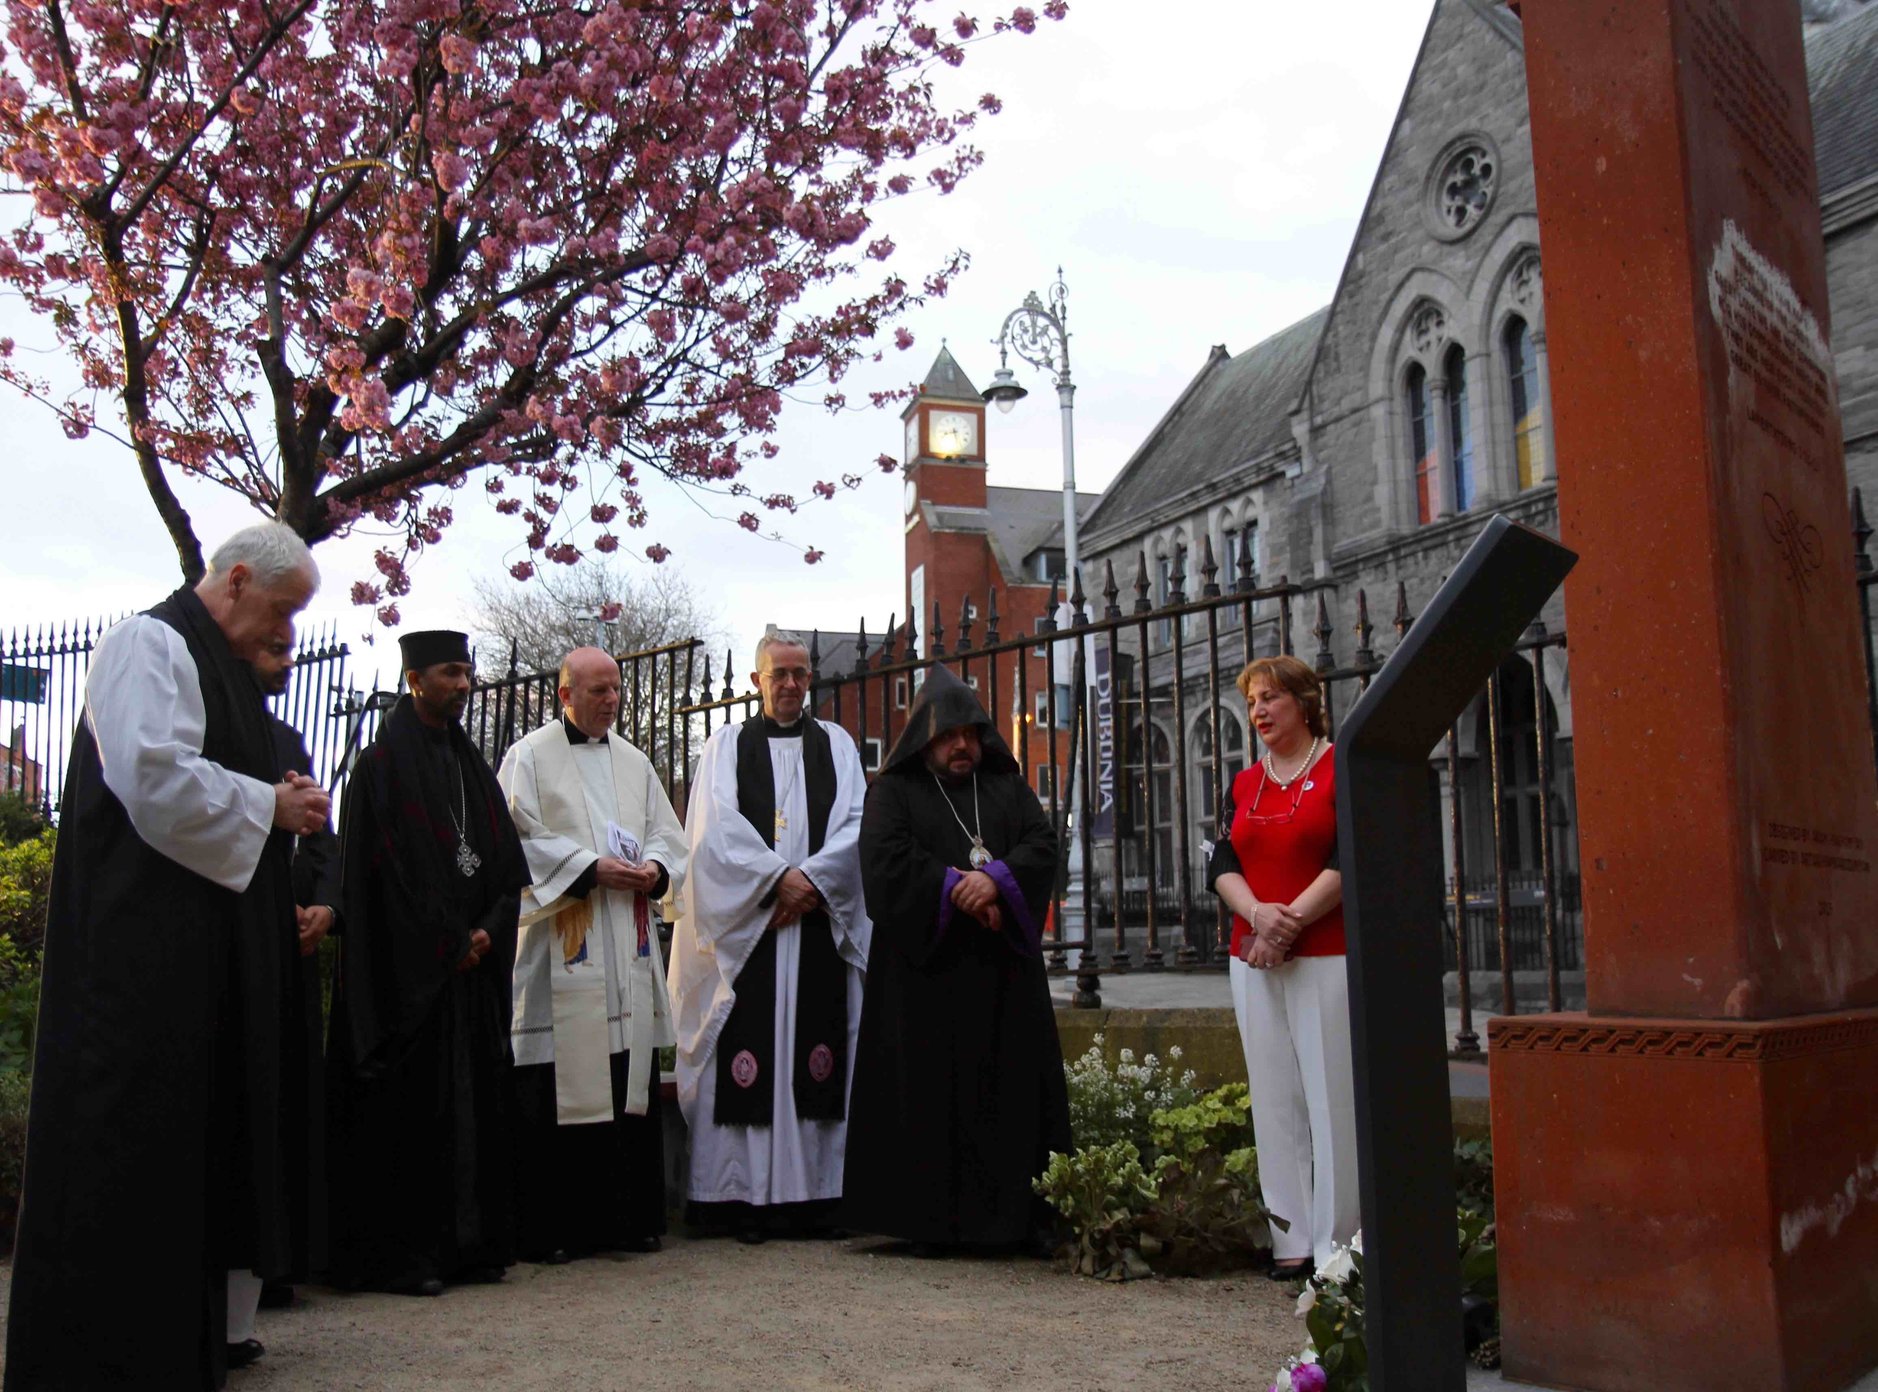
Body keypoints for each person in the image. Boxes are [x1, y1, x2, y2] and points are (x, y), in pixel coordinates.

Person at [4, 524, 329, 1392]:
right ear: (232, 580)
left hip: (197, 965)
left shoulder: (228, 671)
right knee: (128, 1150)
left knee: (190, 1155)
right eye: (281, 611)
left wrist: (277, 797)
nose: (286, 635)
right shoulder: (146, 643)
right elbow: (152, 777)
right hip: (135, 968)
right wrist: (267, 801)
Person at [324, 629, 529, 1296]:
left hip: (471, 976)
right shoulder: (380, 768)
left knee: (475, 1109)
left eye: (468, 673)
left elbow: (503, 868)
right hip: (411, 986)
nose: (463, 685)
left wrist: (488, 931)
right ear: (415, 678)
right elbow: (378, 882)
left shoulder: (472, 766)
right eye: (450, 674)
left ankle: (471, 1244)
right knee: (415, 1119)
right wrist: (448, 942)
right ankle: (408, 1255)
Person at [843, 664, 1071, 1254]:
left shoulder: (1006, 785)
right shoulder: (893, 791)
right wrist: (955, 889)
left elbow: (1042, 845)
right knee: (929, 1099)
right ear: (925, 737)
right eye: (948, 735)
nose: (962, 744)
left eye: (969, 732)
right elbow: (885, 863)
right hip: (925, 981)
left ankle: (1013, 1221)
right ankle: (930, 1224)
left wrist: (996, 879)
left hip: (1002, 982)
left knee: (1008, 1096)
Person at [668, 632, 870, 1243]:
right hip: (750, 936)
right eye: (778, 673)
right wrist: (774, 883)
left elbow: (857, 824)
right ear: (757, 680)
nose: (790, 684)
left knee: (818, 1051)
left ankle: (814, 1198)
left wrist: (809, 883)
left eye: (800, 674)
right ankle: (743, 1197)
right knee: (747, 1053)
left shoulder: (837, 746)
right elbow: (712, 832)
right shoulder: (725, 747)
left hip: (813, 928)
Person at [498, 646, 688, 1262]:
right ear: (565, 694)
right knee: (557, 1079)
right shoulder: (527, 757)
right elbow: (517, 839)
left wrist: (656, 869)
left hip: (624, 943)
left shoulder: (635, 763)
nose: (611, 700)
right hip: (564, 945)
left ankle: (627, 1220)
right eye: (598, 690)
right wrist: (588, 868)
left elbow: (668, 834)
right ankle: (554, 1230)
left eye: (615, 689)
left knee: (621, 1075)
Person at [1206, 654, 1355, 1278]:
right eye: (1252, 702)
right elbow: (1219, 861)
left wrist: (1287, 922)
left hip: (1324, 953)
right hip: (1254, 957)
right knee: (1273, 1099)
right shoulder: (1244, 785)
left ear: (1303, 701)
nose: (1260, 711)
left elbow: (1352, 856)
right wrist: (1257, 917)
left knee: (1332, 1099)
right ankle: (1289, 1237)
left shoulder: (1341, 768)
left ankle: (1339, 1246)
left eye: (1270, 697)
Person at [252, 638, 339, 1322]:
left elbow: (319, 839)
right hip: (242, 939)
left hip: (295, 946)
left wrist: (323, 908)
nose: (286, 661)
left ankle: (281, 1263)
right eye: (275, 649)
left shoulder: (286, 736)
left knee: (289, 1094)